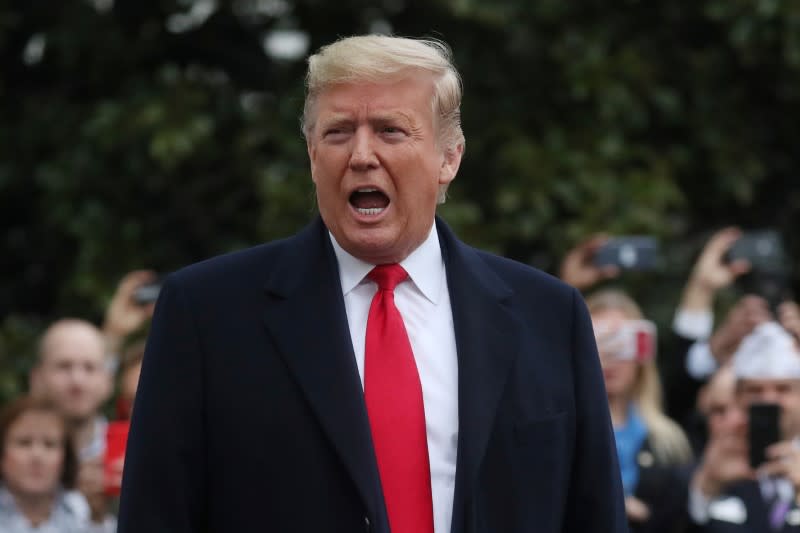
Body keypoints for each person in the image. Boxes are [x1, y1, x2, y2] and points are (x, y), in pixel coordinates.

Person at [118, 34, 627, 533]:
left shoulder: (550, 316)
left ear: (449, 158)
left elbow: (593, 512)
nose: (361, 154)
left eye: (390, 130)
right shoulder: (207, 314)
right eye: (338, 132)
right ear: (313, 155)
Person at [588, 289, 693, 533]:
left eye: (622, 343)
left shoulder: (668, 441)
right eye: (599, 341)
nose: (610, 357)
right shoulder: (559, 432)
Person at [688, 322, 800, 532]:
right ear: (738, 398)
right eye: (755, 390)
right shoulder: (714, 460)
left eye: (783, 389)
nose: (769, 399)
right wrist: (705, 490)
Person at [28, 319, 117, 530]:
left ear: (108, 380)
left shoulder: (134, 455)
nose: (77, 380)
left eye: (89, 367)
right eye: (64, 366)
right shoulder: (8, 459)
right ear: (37, 378)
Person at [0, 395, 111, 532]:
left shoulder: (84, 513)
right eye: (24, 443)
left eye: (49, 445)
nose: (37, 455)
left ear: (66, 457)